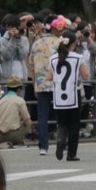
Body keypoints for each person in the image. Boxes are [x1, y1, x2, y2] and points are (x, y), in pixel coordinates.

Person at [49, 29, 89, 161]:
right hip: (73, 93)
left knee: (61, 123)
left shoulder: (53, 58)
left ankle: (60, 139)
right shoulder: (78, 57)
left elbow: (49, 77)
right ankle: (71, 153)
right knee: (74, 125)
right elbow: (86, 76)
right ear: (73, 43)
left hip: (58, 95)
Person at [27, 15, 65, 155]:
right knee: (61, 114)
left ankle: (43, 146)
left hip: (41, 83)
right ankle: (63, 144)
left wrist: (34, 83)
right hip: (58, 83)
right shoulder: (60, 42)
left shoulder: (37, 43)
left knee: (42, 115)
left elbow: (31, 64)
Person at [0, 76, 32, 148]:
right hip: (13, 135)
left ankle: (3, 144)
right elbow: (27, 120)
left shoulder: (1, 101)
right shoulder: (20, 101)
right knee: (28, 123)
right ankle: (18, 141)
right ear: (19, 89)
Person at [0, 14, 30, 81]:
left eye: (16, 27)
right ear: (7, 27)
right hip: (7, 76)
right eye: (12, 27)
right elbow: (7, 56)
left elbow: (23, 56)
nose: (15, 29)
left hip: (21, 75)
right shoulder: (2, 40)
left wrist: (18, 41)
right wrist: (12, 40)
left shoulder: (24, 39)